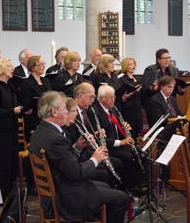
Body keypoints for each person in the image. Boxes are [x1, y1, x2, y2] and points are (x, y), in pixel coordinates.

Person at [29, 91, 128, 222]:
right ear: (54, 112)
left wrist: (76, 148)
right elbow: (76, 173)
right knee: (121, 197)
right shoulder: (56, 139)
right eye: (64, 108)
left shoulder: (41, 131)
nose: (67, 112)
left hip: (59, 188)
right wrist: (95, 159)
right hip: (68, 196)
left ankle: (96, 216)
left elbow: (61, 161)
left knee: (106, 186)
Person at [87, 84, 143, 191]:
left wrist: (125, 127)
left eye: (114, 97)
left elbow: (117, 128)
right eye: (110, 98)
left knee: (140, 152)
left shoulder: (114, 109)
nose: (113, 100)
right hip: (108, 147)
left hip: (117, 143)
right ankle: (126, 186)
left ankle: (136, 183)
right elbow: (100, 139)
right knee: (127, 156)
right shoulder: (94, 112)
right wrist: (121, 142)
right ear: (101, 99)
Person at [68, 83, 123, 187]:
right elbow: (74, 139)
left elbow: (85, 133)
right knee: (106, 171)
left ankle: (115, 192)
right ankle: (108, 196)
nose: (93, 101)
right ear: (80, 95)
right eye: (91, 97)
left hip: (84, 151)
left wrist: (95, 134)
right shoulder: (72, 112)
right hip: (78, 155)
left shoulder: (83, 111)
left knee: (115, 163)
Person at [0, 58, 22, 200]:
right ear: (1, 68)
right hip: (0, 131)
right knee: (4, 164)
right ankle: (1, 197)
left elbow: (13, 105)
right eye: (9, 66)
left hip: (11, 129)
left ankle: (11, 194)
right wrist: (12, 111)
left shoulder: (9, 85)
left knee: (13, 162)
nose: (13, 68)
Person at [20, 56, 51, 142]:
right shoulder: (27, 83)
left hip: (47, 117)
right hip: (34, 119)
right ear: (33, 67)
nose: (43, 66)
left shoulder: (46, 81)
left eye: (44, 63)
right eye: (40, 64)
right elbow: (26, 104)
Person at [119, 57, 143, 138]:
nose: (133, 66)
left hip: (137, 108)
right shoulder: (122, 79)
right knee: (131, 131)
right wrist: (133, 92)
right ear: (125, 66)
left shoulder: (137, 78)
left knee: (139, 130)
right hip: (128, 109)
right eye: (130, 64)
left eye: (134, 64)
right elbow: (121, 96)